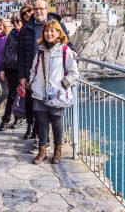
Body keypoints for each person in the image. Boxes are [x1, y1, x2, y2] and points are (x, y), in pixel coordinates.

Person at [18, 0, 76, 141]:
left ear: (46, 9)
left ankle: (43, 140)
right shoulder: (26, 28)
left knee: (51, 113)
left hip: (52, 76)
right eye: (35, 9)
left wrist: (72, 49)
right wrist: (22, 76)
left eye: (41, 8)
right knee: (35, 107)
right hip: (34, 73)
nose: (38, 11)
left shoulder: (56, 23)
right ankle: (38, 136)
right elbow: (21, 52)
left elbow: (66, 39)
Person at [29, 20, 79, 165]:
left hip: (57, 94)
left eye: (52, 31)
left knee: (56, 123)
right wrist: (32, 83)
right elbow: (33, 69)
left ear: (58, 33)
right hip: (40, 92)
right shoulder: (40, 50)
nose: (49, 33)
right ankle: (42, 151)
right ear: (43, 33)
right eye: (46, 31)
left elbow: (74, 73)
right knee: (42, 123)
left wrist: (63, 84)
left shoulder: (64, 50)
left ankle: (58, 152)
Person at [0, 13, 24, 131]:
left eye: (18, 22)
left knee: (17, 95)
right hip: (10, 67)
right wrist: (2, 68)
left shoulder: (26, 34)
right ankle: (10, 118)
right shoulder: (11, 35)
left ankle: (12, 119)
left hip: (21, 68)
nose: (16, 25)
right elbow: (4, 52)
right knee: (12, 94)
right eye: (13, 23)